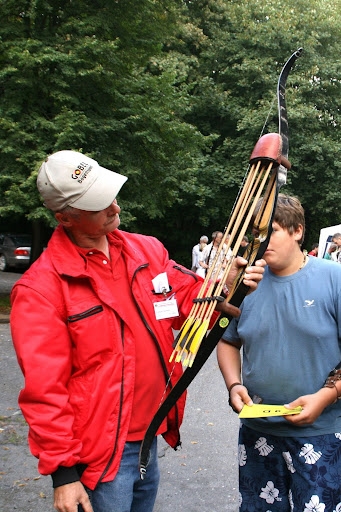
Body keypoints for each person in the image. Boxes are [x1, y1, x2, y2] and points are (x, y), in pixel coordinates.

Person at [10, 150, 265, 512]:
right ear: (64, 217)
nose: (115, 207)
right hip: (100, 456)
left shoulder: (145, 250)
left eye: (110, 194)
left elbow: (188, 301)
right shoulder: (40, 290)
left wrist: (224, 286)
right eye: (99, 204)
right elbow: (44, 391)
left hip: (149, 436)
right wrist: (64, 474)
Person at [217, 194, 341, 512]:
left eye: (271, 231)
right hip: (258, 431)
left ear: (297, 230)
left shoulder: (333, 278)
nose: (262, 242)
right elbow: (228, 341)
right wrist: (234, 385)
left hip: (322, 433)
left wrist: (325, 397)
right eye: (256, 235)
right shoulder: (245, 286)